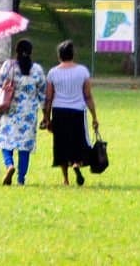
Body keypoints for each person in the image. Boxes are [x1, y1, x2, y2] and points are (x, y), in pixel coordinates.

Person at [43, 39, 100, 185]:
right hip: (77, 112)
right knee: (78, 141)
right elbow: (88, 96)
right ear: (73, 54)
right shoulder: (82, 71)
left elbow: (48, 98)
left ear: (59, 55)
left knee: (61, 144)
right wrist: (94, 117)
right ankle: (76, 163)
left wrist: (46, 118)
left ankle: (65, 179)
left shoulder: (53, 73)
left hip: (59, 112)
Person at [0, 38, 48, 185]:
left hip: (10, 111)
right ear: (31, 52)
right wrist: (46, 116)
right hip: (29, 115)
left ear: (16, 51)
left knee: (6, 141)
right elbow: (43, 96)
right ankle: (21, 180)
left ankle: (9, 165)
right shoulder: (37, 70)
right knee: (24, 147)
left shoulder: (8, 66)